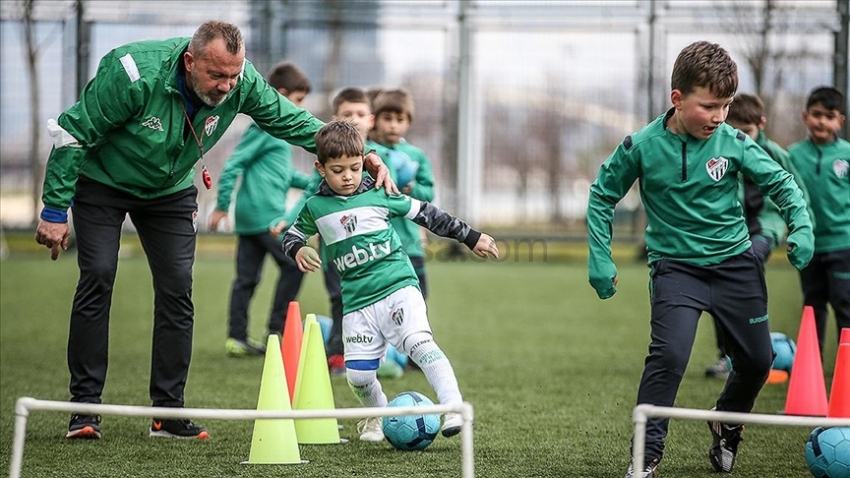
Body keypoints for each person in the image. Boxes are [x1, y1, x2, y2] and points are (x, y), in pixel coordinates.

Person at [33, 20, 395, 441]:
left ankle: (167, 413)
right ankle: (83, 409)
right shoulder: (132, 72)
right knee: (97, 274)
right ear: (190, 61)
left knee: (176, 287)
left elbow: (290, 120)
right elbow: (74, 132)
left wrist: (359, 154)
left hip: (169, 191)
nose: (227, 86)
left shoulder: (244, 83)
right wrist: (55, 209)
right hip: (102, 184)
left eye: (234, 76)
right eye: (216, 75)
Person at [586, 41, 813, 478]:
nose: (719, 116)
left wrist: (800, 224)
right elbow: (601, 196)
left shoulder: (734, 141)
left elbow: (781, 183)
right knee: (669, 356)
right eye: (709, 106)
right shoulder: (642, 146)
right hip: (676, 269)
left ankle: (726, 421)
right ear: (677, 99)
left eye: (726, 106)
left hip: (735, 265)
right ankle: (646, 456)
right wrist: (600, 256)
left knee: (758, 361)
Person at [282, 120, 499, 442]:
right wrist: (298, 249)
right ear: (320, 168)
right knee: (358, 376)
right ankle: (377, 416)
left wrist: (470, 236)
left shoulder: (381, 194)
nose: (348, 177)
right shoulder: (315, 207)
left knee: (419, 344)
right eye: (338, 170)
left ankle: (453, 407)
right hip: (357, 302)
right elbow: (292, 234)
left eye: (355, 168)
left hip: (398, 287)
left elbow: (428, 214)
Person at [209, 61, 314, 357]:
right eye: (298, 101)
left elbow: (283, 175)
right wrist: (220, 206)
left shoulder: (278, 135)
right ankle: (276, 331)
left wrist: (320, 180)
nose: (300, 108)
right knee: (295, 264)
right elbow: (232, 165)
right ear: (280, 95)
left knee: (247, 278)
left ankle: (236, 338)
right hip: (265, 218)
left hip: (252, 218)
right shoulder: (265, 129)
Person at [703, 93, 809, 379]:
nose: (742, 137)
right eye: (736, 130)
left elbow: (797, 192)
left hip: (765, 227)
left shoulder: (774, 154)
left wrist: (801, 228)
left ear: (760, 124)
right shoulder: (722, 147)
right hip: (731, 229)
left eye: (747, 132)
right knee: (720, 284)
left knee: (747, 266)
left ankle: (756, 353)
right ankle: (728, 355)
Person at [788, 86, 850, 357]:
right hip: (809, 244)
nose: (821, 121)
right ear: (805, 116)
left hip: (843, 243)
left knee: (844, 301)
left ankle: (846, 361)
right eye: (816, 114)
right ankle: (809, 362)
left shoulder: (847, 154)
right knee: (812, 304)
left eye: (829, 115)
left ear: (840, 121)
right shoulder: (792, 155)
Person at [322, 87, 379, 375]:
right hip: (336, 252)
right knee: (341, 300)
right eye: (347, 115)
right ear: (335, 119)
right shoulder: (327, 162)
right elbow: (311, 202)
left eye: (359, 114)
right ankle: (337, 354)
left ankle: (369, 353)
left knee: (370, 301)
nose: (354, 120)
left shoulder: (381, 162)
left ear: (371, 119)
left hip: (371, 251)